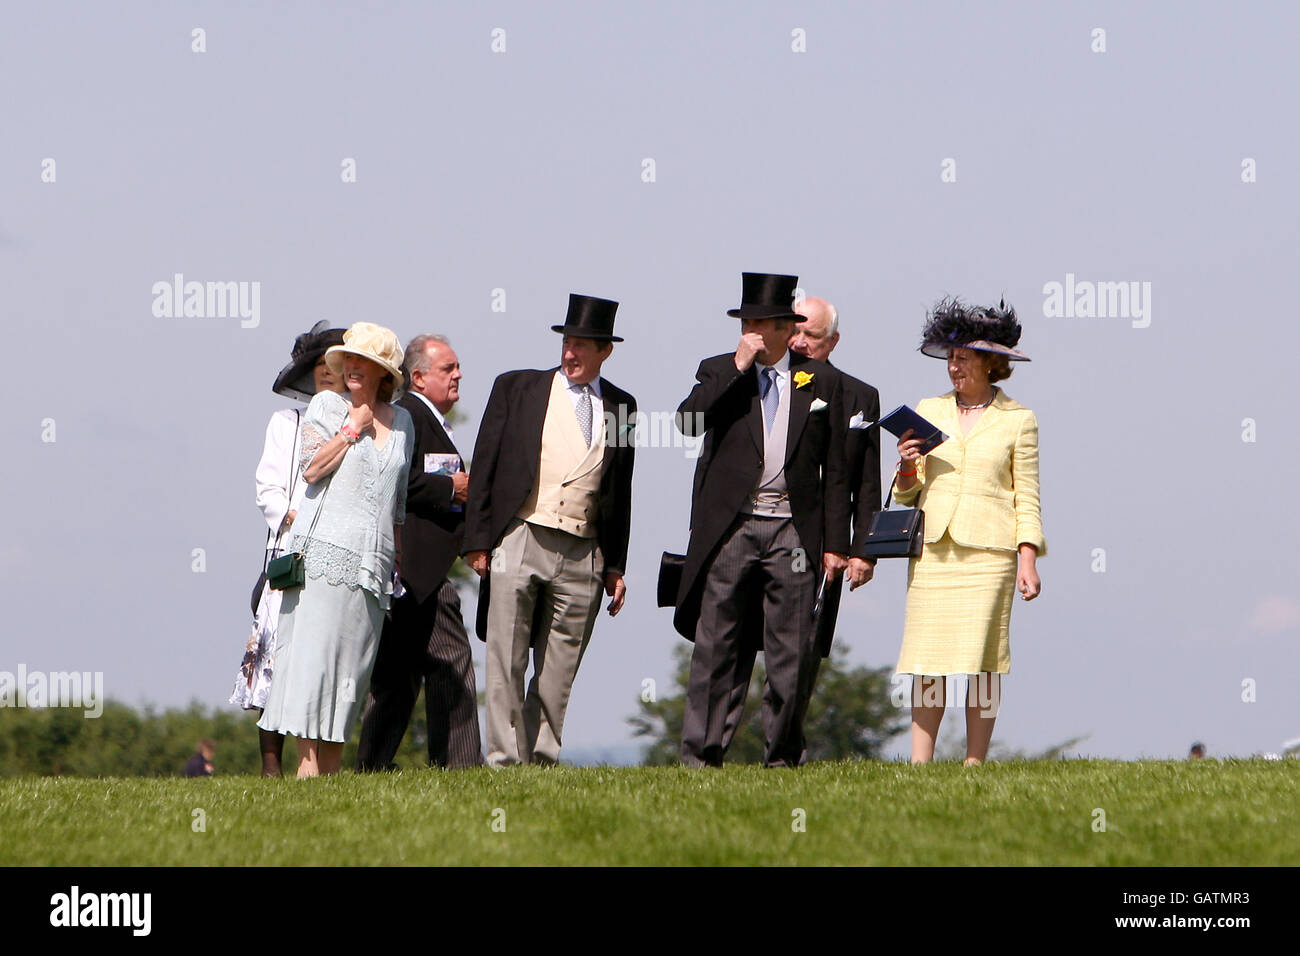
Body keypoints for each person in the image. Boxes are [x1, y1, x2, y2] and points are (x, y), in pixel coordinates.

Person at [673, 273, 851, 768]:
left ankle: (782, 759)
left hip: (794, 529)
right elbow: (687, 423)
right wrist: (736, 366)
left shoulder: (822, 381)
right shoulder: (719, 370)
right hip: (732, 528)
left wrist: (837, 543)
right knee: (716, 646)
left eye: (761, 322)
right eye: (746, 321)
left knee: (791, 651)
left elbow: (836, 471)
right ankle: (700, 758)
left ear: (784, 327)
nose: (751, 329)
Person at [462, 294, 636, 767]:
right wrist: (478, 542)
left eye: (583, 345)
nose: (571, 353)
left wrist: (615, 565)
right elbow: (486, 465)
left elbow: (621, 490)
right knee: (506, 661)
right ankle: (502, 762)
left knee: (559, 671)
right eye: (567, 342)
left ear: (606, 351)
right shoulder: (516, 388)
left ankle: (541, 761)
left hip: (584, 552)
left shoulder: (623, 407)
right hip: (521, 536)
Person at [257, 322, 414, 778]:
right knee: (315, 668)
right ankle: (308, 773)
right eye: (348, 359)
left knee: (353, 673)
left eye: (362, 361)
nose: (352, 368)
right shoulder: (328, 405)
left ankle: (330, 775)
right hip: (324, 557)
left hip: (373, 567)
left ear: (384, 371)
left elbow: (397, 501)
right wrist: (352, 428)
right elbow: (310, 470)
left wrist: (396, 559)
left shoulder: (403, 422)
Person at [893, 297, 1044, 766]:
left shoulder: (1018, 420)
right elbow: (904, 496)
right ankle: (921, 763)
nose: (953, 366)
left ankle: (975, 761)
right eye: (950, 358)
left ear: (989, 362)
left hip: (990, 554)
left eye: (962, 357)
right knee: (927, 658)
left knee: (985, 662)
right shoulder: (926, 410)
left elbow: (1028, 497)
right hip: (933, 552)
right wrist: (905, 467)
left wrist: (1028, 559)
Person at [357, 334, 484, 770]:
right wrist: (453, 487)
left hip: (413, 573)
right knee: (449, 663)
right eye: (448, 368)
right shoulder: (410, 415)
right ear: (418, 377)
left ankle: (372, 765)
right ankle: (459, 765)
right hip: (416, 573)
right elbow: (396, 480)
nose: (458, 375)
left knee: (398, 675)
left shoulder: (420, 417)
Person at [231, 321, 346, 777]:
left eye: (332, 365)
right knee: (276, 651)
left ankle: (320, 758)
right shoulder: (286, 423)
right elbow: (269, 490)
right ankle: (271, 763)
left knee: (323, 656)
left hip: (340, 553)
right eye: (317, 366)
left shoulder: (359, 427)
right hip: (290, 553)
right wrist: (300, 525)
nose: (324, 373)